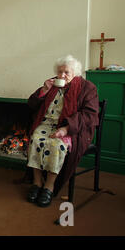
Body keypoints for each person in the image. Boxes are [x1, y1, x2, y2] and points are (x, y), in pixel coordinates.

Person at [26, 55, 99, 207]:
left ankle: (49, 186)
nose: (62, 76)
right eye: (59, 72)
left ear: (76, 72)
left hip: (71, 129)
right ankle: (37, 182)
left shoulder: (87, 88)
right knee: (35, 139)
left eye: (66, 72)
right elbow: (31, 104)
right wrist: (44, 90)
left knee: (56, 144)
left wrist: (66, 129)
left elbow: (89, 115)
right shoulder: (52, 84)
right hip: (46, 124)